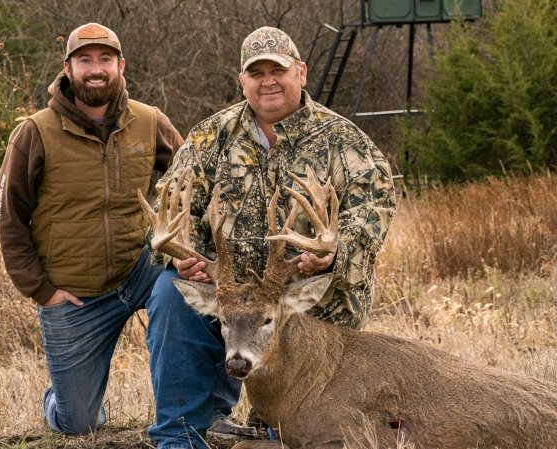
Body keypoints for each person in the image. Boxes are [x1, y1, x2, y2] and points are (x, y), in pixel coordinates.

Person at [0, 22, 253, 444]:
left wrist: (188, 254)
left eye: (105, 59)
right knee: (78, 422)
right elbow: (7, 218)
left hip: (141, 269)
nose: (96, 69)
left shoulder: (150, 122)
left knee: (201, 285)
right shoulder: (34, 133)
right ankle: (60, 400)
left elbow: (199, 187)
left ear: (120, 65)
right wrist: (42, 290)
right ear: (68, 68)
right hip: (74, 292)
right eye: (85, 60)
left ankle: (209, 411)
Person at [151, 25, 397, 439]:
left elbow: (374, 207)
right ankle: (186, 428)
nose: (268, 81)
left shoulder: (343, 140)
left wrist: (335, 254)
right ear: (242, 80)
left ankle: (277, 421)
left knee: (301, 428)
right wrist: (180, 253)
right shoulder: (211, 136)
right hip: (230, 292)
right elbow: (171, 203)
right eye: (257, 72)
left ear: (300, 72)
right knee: (166, 290)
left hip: (307, 294)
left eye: (278, 70)